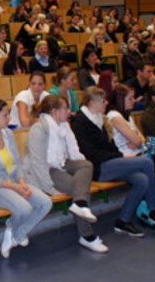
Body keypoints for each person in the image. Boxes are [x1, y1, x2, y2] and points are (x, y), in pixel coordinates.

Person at [70, 86, 155, 236]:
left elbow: (110, 146)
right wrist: (121, 157)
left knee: (142, 180)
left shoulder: (99, 118)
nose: (106, 103)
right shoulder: (80, 122)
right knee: (146, 162)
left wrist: (119, 155)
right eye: (102, 101)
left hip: (110, 163)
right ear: (91, 102)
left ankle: (122, 221)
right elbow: (91, 154)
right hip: (97, 167)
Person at [22, 95, 106, 253]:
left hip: (61, 163)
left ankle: (80, 204)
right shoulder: (38, 129)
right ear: (54, 111)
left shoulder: (64, 126)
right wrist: (51, 190)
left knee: (86, 165)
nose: (69, 112)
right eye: (65, 108)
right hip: (48, 170)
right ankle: (87, 236)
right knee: (79, 188)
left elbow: (73, 152)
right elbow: (38, 164)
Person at [0, 99, 52, 258]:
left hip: (12, 184)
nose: (9, 119)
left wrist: (21, 183)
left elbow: (17, 163)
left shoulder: (7, 134)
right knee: (24, 208)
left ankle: (15, 232)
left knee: (45, 202)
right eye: (6, 115)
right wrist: (16, 188)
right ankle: (15, 231)